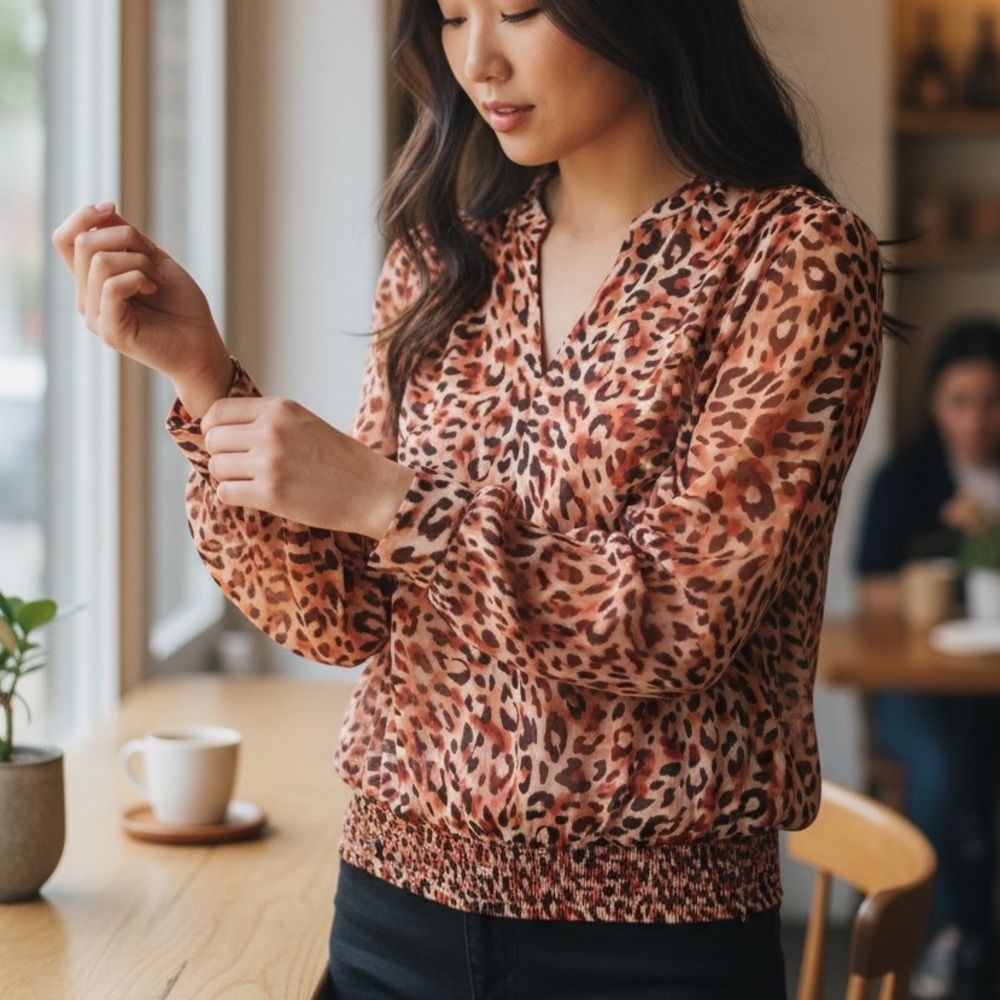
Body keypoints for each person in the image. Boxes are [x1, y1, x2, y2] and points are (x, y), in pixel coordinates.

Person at [53, 2, 886, 996]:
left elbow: (676, 619)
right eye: (451, 17)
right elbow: (341, 616)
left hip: (656, 943)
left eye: (522, 10)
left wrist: (396, 503)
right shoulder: (443, 259)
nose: (478, 59)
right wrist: (202, 378)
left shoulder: (792, 257)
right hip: (394, 911)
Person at [857, 318, 1000, 1000]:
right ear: (935, 402)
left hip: (989, 684)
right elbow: (871, 589)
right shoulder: (906, 477)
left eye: (992, 401)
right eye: (961, 401)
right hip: (918, 681)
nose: (977, 420)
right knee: (941, 771)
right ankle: (947, 935)